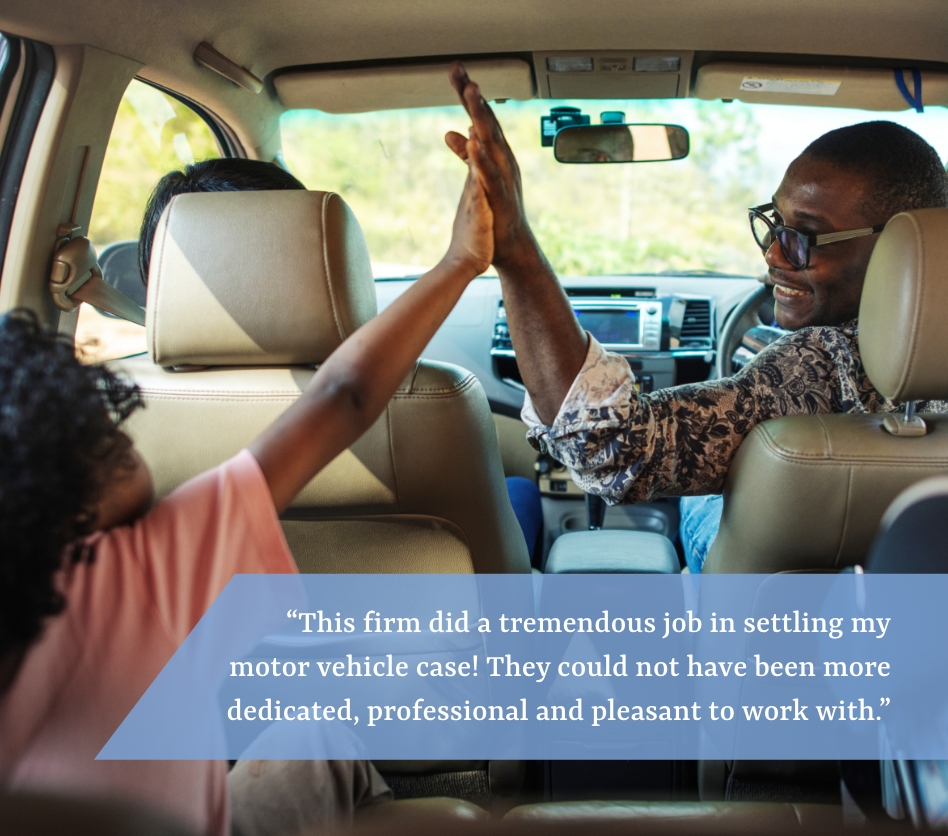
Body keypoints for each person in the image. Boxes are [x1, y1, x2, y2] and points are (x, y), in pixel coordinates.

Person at [0, 141, 492, 835]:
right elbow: (344, 396)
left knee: (308, 736)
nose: (125, 431)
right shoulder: (139, 572)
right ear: (72, 510)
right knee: (319, 736)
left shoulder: (49, 578)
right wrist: (461, 260)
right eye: (109, 434)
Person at [445, 62, 948, 573]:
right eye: (773, 223)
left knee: (706, 494)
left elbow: (615, 445)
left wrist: (515, 252)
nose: (773, 255)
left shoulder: (815, 370)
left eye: (805, 235)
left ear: (897, 250)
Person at [137, 157, 544, 567]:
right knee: (520, 493)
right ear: (314, 258)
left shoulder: (118, 415)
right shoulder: (438, 397)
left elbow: (346, 393)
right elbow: (346, 395)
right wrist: (465, 260)